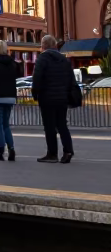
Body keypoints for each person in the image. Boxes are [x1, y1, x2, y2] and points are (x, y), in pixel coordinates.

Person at [32, 34, 76, 163]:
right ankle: (68, 151)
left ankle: (52, 154)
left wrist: (35, 94)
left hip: (47, 98)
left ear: (43, 45)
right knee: (62, 124)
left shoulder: (42, 59)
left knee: (49, 126)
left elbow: (37, 78)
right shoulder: (64, 60)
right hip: (62, 98)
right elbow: (70, 79)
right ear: (55, 45)